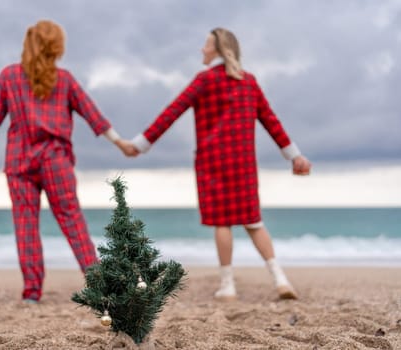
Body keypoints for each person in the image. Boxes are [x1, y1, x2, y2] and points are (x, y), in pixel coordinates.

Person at [0, 20, 137, 303]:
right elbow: (92, 114)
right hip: (55, 161)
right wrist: (120, 142)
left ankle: (32, 292)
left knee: (25, 224)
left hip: (19, 161)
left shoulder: (9, 76)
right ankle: (98, 284)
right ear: (57, 48)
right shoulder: (64, 80)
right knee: (72, 221)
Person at [131, 28, 311, 300]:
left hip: (212, 163)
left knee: (223, 223)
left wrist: (141, 144)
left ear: (217, 49)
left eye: (205, 45)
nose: (202, 50)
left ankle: (228, 286)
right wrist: (294, 155)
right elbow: (271, 121)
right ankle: (280, 279)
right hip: (243, 163)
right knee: (253, 221)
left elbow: (173, 111)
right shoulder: (248, 82)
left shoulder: (204, 81)